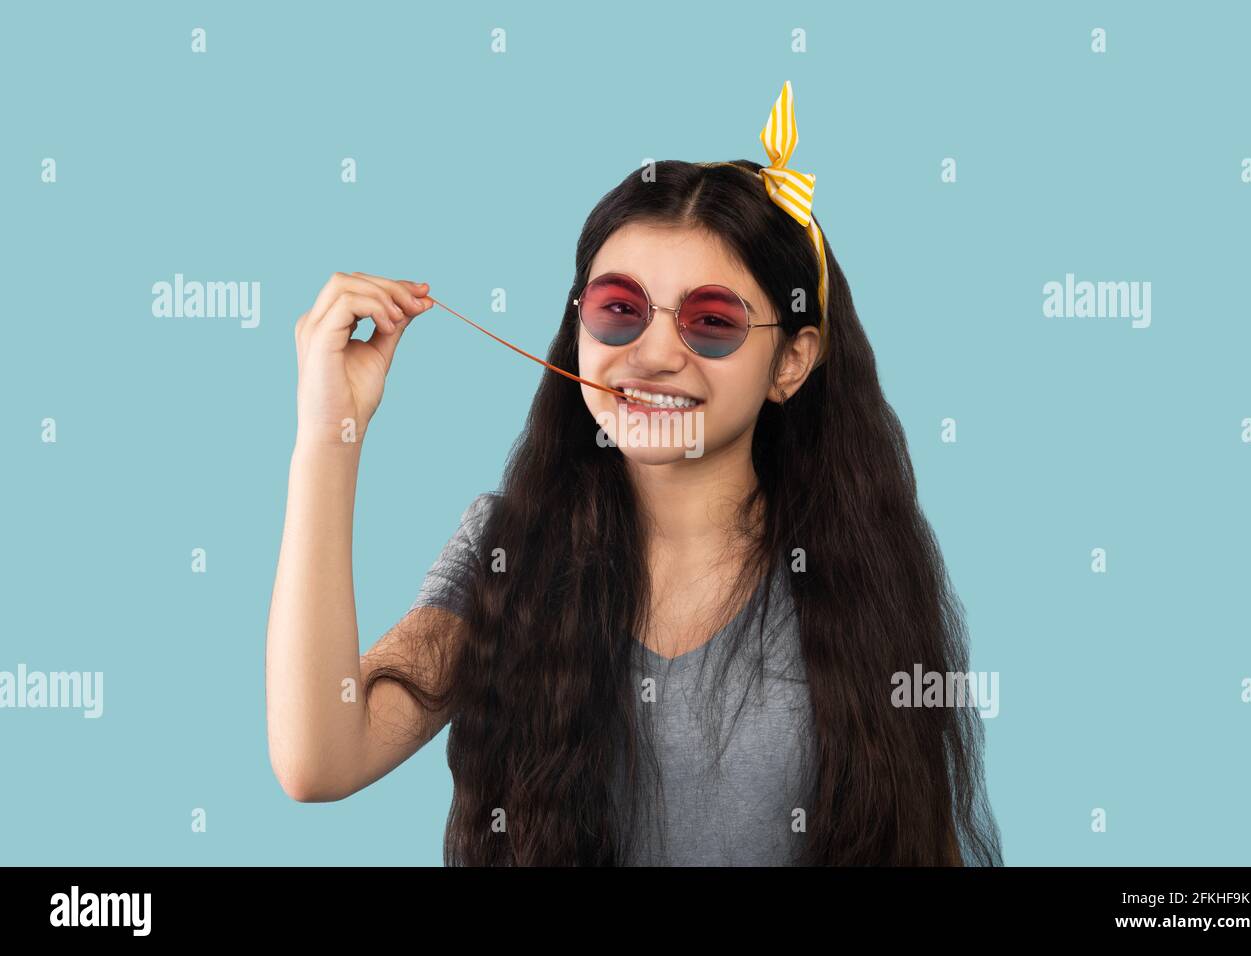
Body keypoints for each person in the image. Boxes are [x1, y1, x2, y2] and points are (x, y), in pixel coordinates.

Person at [267, 81, 1002, 867]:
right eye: (620, 308)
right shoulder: (508, 549)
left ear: (791, 360)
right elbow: (320, 760)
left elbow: (917, 841)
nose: (653, 354)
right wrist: (329, 431)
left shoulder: (855, 564)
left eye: (711, 321)